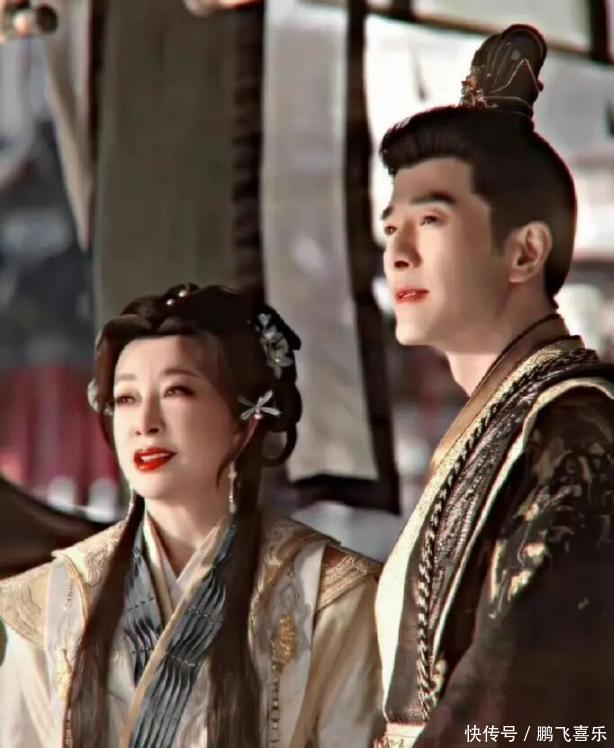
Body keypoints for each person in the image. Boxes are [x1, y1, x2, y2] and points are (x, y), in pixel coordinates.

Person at [0, 283, 381, 747]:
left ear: (245, 422)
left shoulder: (329, 596)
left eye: (176, 391)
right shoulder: (50, 600)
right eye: (126, 398)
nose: (145, 423)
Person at [374, 24, 614, 747]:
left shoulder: (575, 432)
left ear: (525, 251)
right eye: (390, 227)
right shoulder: (508, 422)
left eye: (430, 221)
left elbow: (530, 705)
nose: (398, 252)